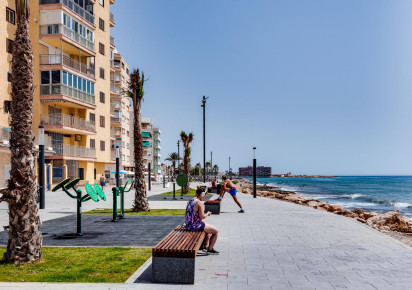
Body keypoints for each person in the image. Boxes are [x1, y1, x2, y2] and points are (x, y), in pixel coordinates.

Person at [185, 187, 219, 255]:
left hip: (188, 225)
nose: (204, 197)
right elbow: (202, 216)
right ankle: (210, 249)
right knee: (216, 231)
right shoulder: (199, 203)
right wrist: (207, 214)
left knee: (208, 228)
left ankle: (204, 246)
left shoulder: (190, 200)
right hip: (195, 226)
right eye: (205, 196)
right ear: (203, 194)